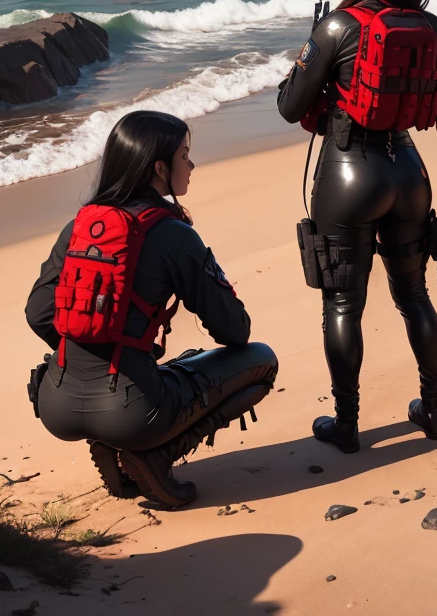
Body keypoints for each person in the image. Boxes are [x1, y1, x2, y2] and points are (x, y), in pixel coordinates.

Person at [277, 0, 437, 454]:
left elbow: (290, 107)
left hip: (348, 173)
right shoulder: (431, 28)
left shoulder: (338, 26)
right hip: (409, 172)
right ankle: (432, 411)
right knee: (413, 294)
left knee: (343, 306)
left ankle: (348, 424)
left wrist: (304, 57)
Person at [26, 110, 279, 507]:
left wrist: (95, 339)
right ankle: (157, 454)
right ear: (159, 168)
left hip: (55, 402)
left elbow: (38, 311)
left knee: (131, 372)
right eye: (185, 155)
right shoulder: (173, 234)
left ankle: (111, 440)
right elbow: (235, 331)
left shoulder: (82, 224)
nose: (191, 164)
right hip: (132, 409)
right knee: (262, 361)